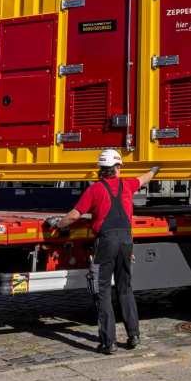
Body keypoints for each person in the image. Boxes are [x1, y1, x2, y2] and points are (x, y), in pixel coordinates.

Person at [45, 150, 159, 354]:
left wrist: (56, 223)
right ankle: (133, 336)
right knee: (125, 288)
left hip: (105, 243)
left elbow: (73, 216)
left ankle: (109, 342)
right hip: (126, 241)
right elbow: (144, 178)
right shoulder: (128, 185)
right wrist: (155, 169)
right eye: (119, 167)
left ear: (101, 170)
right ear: (116, 168)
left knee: (102, 291)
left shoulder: (95, 189)